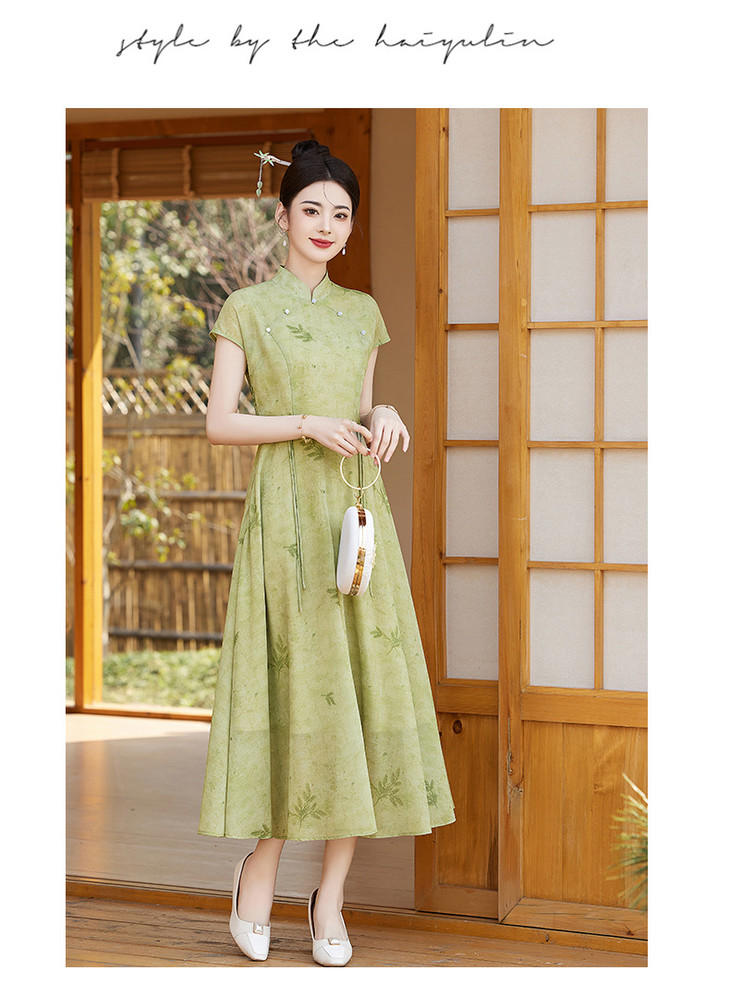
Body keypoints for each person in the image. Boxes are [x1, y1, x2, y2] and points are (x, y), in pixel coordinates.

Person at [198, 139, 455, 967]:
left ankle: (331, 897)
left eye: (341, 214)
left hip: (353, 512)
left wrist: (386, 417)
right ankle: (261, 869)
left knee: (358, 696)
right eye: (311, 208)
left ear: (349, 229)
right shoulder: (245, 308)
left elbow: (364, 405)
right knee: (297, 692)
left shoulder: (363, 312)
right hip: (284, 517)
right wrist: (305, 423)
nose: (326, 224)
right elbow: (220, 422)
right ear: (284, 216)